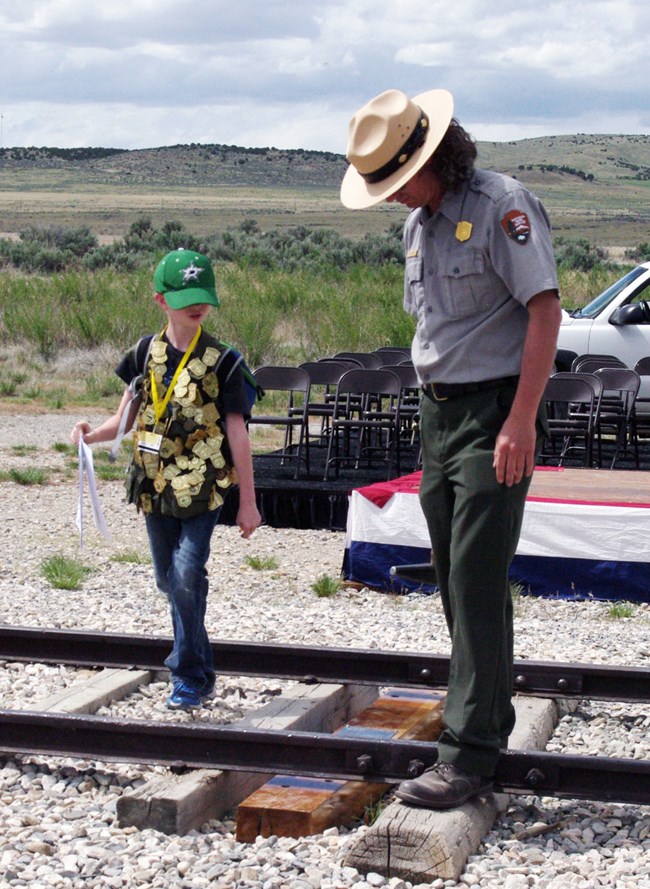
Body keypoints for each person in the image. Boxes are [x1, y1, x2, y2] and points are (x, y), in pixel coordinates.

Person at [341, 89, 562, 808]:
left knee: (473, 573)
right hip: (439, 416)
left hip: (495, 411)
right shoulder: (419, 224)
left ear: (426, 158)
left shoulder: (503, 205)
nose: (387, 196)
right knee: (459, 576)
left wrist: (521, 420)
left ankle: (467, 755)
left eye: (391, 178)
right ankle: (485, 719)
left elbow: (545, 310)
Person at [71, 248, 261, 711]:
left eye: (203, 298)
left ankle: (188, 675)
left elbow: (238, 432)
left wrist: (248, 502)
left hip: (203, 487)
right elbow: (124, 420)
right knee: (169, 580)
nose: (197, 307)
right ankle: (203, 668)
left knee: (186, 573)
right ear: (161, 300)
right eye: (186, 298)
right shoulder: (143, 354)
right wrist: (90, 435)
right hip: (154, 486)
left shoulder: (224, 362)